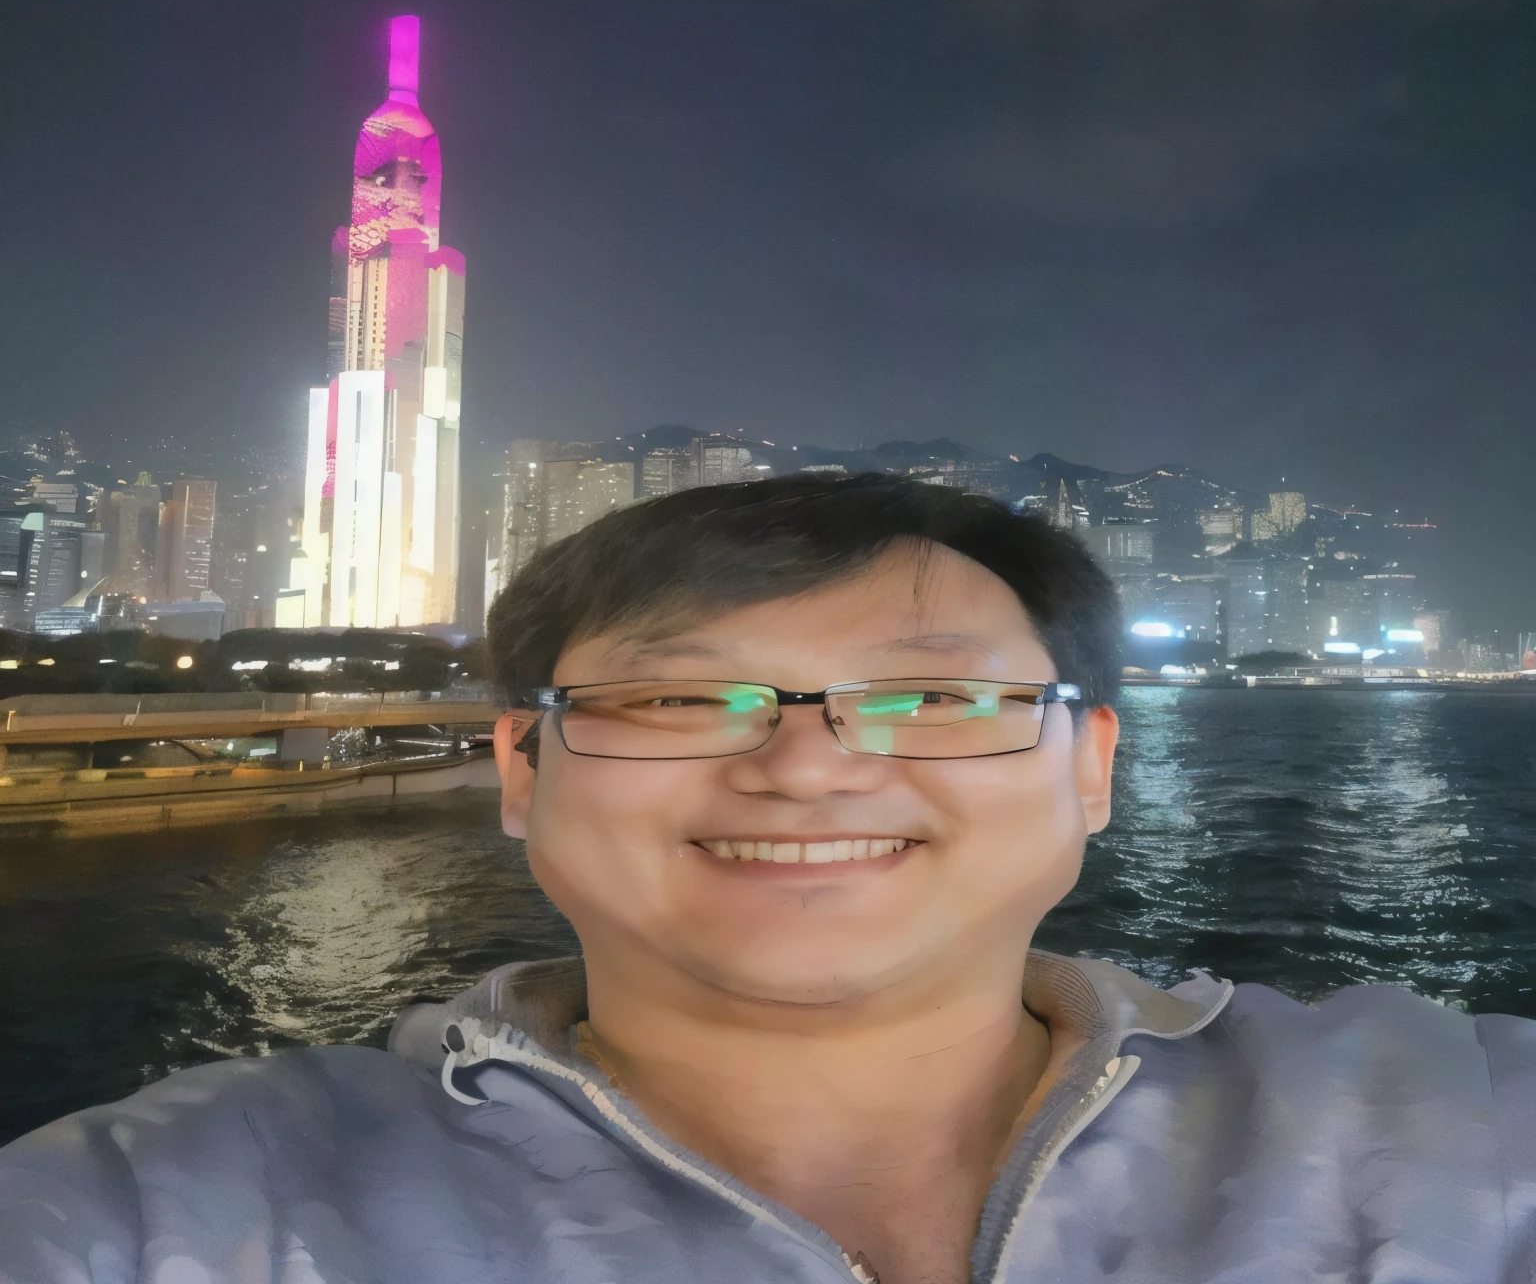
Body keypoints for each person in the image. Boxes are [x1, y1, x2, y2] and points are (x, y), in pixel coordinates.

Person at [1, 472, 1532, 1283]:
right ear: (523, 771)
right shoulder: (187, 1209)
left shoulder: (1454, 1131)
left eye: (933, 698)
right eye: (679, 699)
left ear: (1092, 765)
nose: (808, 767)